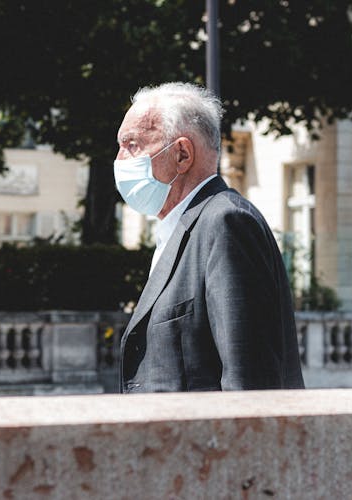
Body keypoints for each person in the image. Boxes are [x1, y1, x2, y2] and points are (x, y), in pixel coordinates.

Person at [114, 82, 305, 392]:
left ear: (182, 155)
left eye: (132, 144)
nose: (120, 160)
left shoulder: (226, 223)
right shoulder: (179, 229)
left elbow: (249, 383)